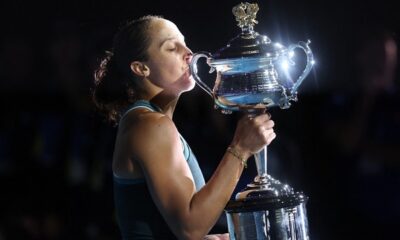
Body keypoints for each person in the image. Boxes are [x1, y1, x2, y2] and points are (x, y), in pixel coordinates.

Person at [92, 15, 276, 240]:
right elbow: (190, 228)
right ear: (141, 68)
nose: (188, 51)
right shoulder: (150, 125)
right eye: (171, 47)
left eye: (184, 42)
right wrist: (241, 148)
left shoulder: (151, 122)